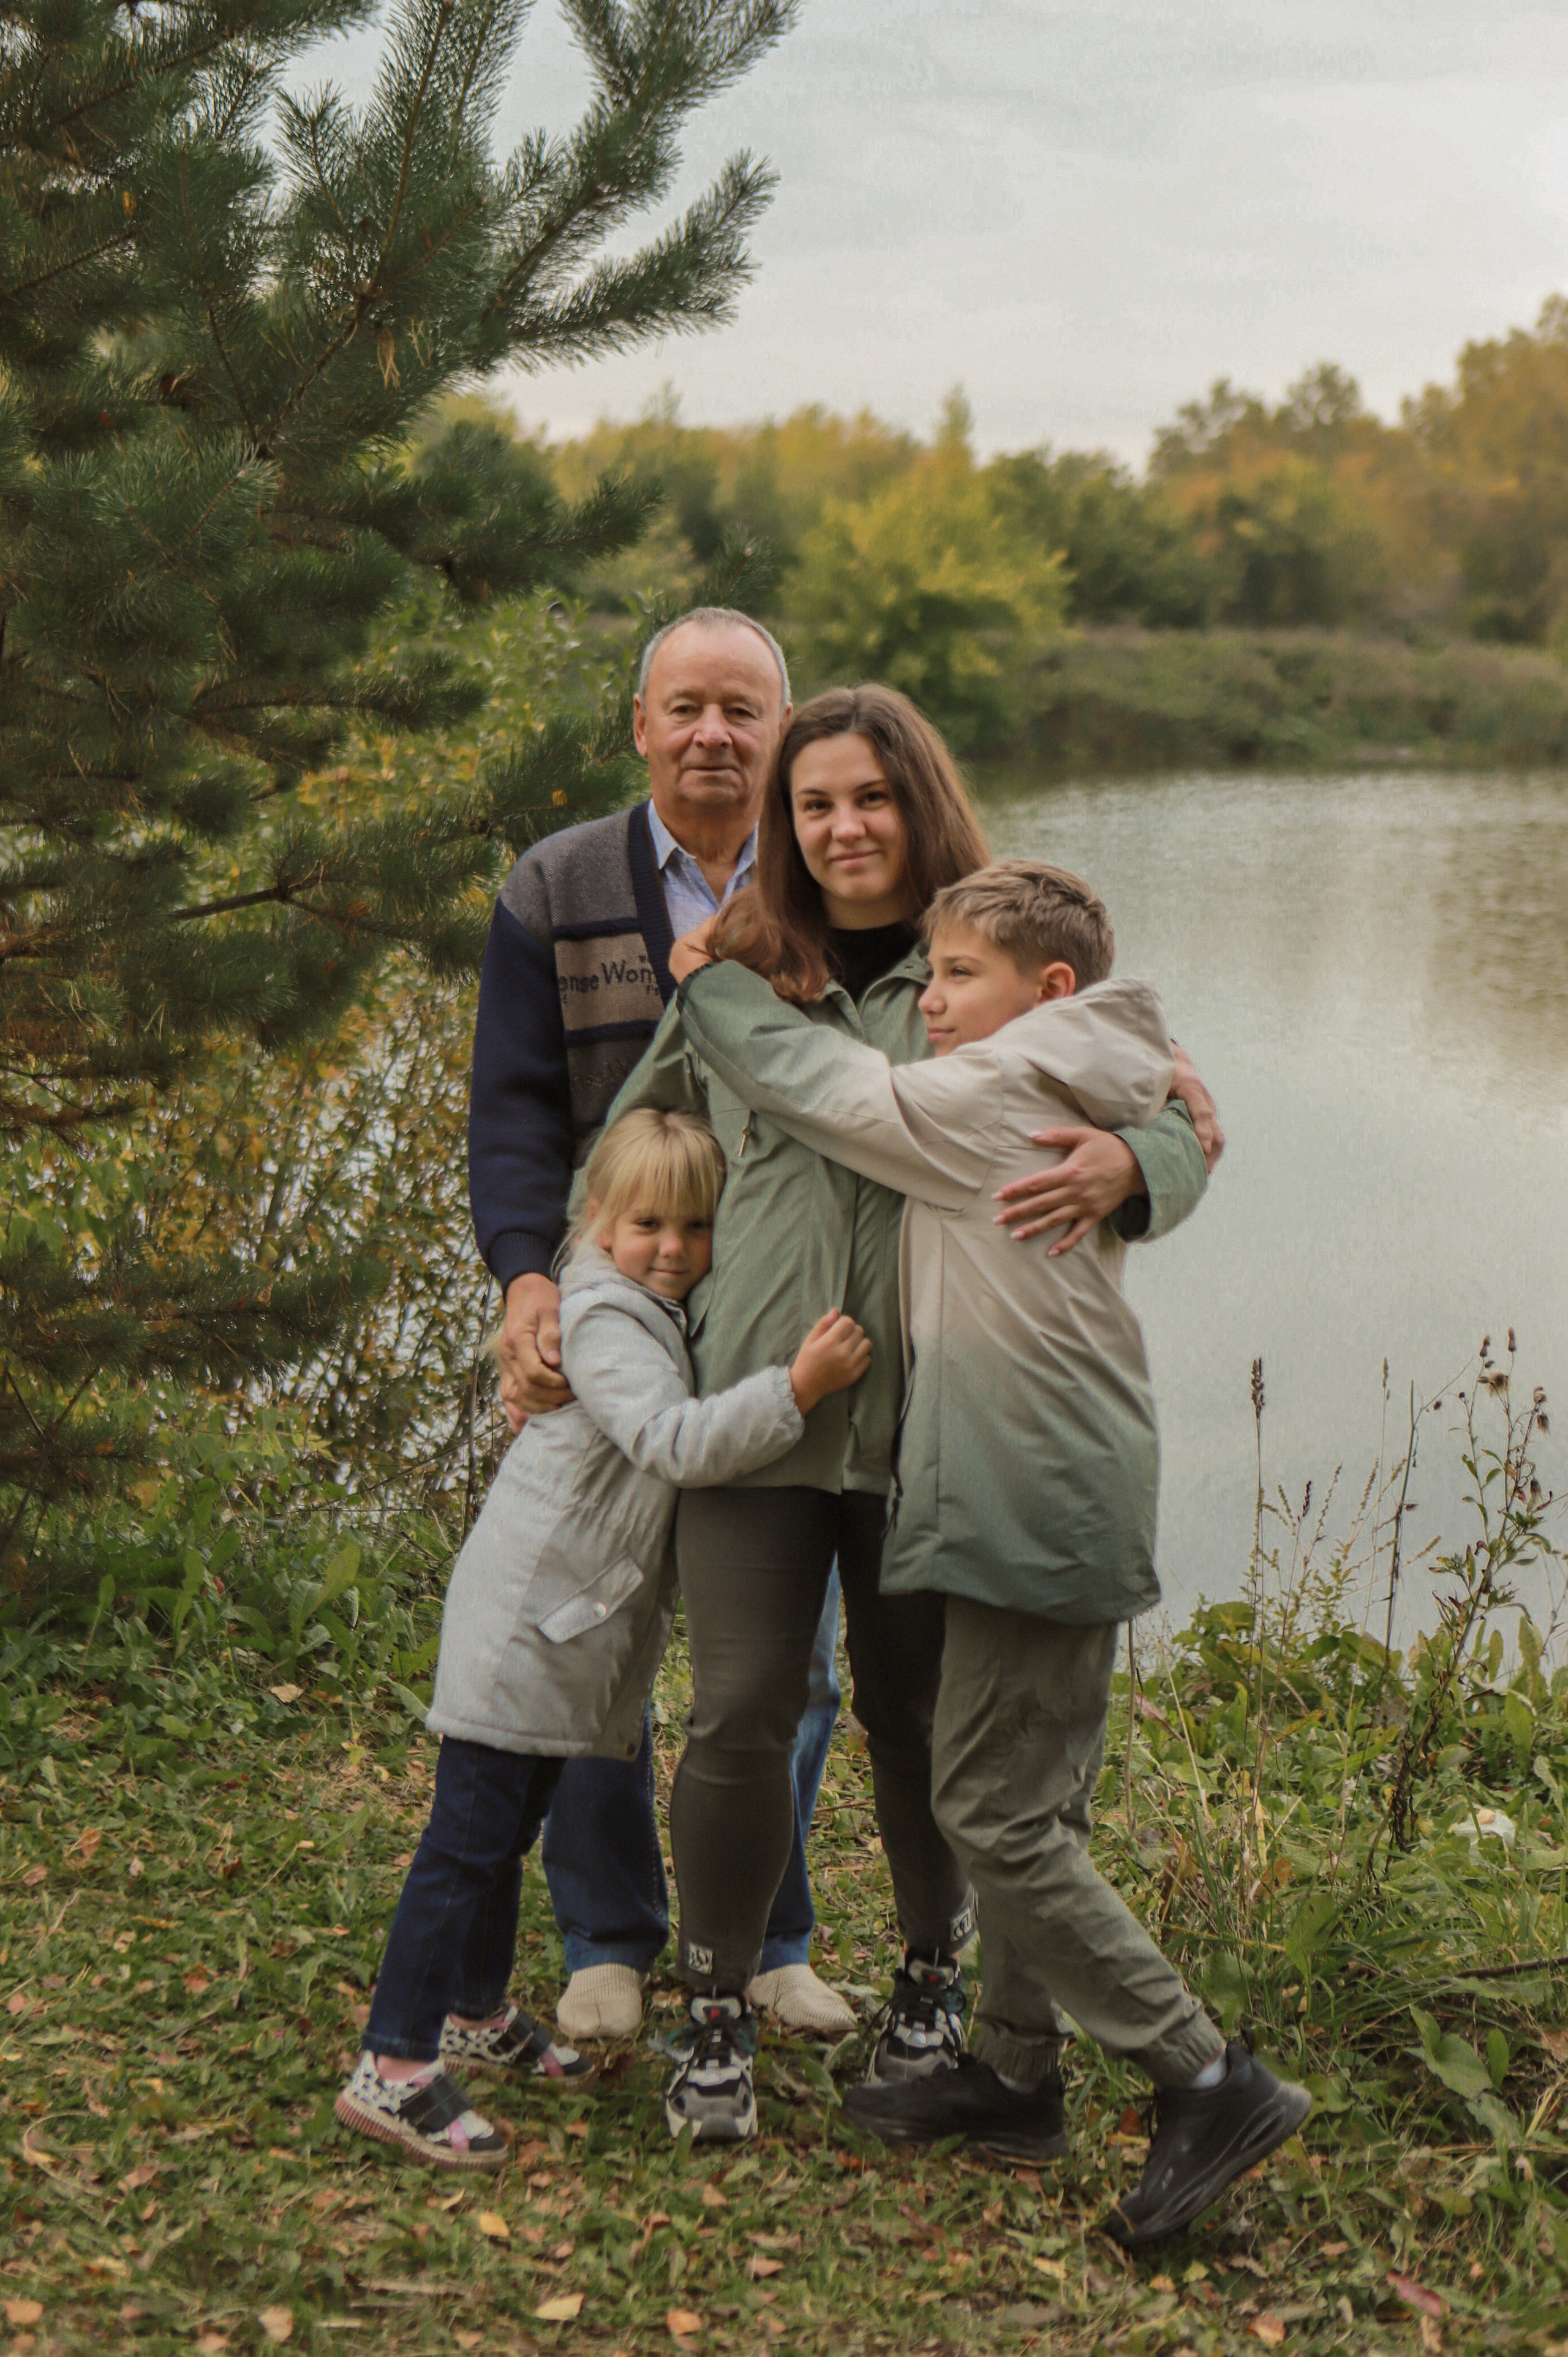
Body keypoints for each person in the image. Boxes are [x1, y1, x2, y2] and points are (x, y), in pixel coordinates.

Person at [597, 685, 1221, 2143]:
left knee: (918, 1719)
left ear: (918, 801)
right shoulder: (737, 977)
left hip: (928, 1427)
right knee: (739, 1711)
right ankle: (715, 2006)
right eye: (811, 804)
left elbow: (1166, 1101)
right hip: (756, 1408)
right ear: (782, 823)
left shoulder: (984, 966)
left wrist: (1140, 1168)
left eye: (869, 796)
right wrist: (569, 1300)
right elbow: (628, 1159)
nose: (842, 827)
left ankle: (934, 1992)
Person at [674, 861, 1312, 2241]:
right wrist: (1165, 1124)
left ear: (1050, 989)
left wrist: (709, 981)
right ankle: (1016, 2077)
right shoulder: (1091, 1067)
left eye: (958, 975)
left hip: (1034, 1486)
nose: (932, 999)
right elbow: (1159, 1102)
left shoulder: (1000, 1089)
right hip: (1051, 1474)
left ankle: (1206, 2076)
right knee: (1036, 1800)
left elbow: (822, 1087)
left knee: (990, 1811)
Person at [335, 1108, 870, 2170]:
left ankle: (474, 2010)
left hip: (562, 1626)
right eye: (647, 1225)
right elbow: (672, 1441)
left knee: (508, 1827)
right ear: (598, 1221)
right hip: (525, 1627)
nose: (672, 1247)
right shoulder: (608, 1323)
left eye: (695, 1226)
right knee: (465, 1843)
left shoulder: (648, 1308)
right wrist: (796, 1390)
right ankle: (393, 2064)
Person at [467, 606, 851, 2041]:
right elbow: (511, 1109)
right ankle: (607, 1938)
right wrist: (528, 1281)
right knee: (593, 1643)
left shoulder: (841, 873)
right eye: (684, 706)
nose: (712, 734)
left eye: (743, 709)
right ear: (638, 725)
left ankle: (765, 1938)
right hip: (613, 1317)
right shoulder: (557, 883)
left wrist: (1153, 1077)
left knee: (787, 1668)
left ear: (783, 729)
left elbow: (1002, 991)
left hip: (777, 1320)